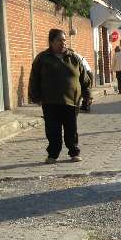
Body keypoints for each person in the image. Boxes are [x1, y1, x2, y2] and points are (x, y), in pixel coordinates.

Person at [28, 29, 91, 164]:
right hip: (50, 101)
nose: (63, 43)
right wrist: (35, 96)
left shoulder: (74, 58)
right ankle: (53, 154)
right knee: (52, 130)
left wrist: (87, 94)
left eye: (64, 40)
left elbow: (84, 78)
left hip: (71, 101)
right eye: (59, 40)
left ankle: (74, 152)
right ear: (51, 42)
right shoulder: (42, 58)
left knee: (71, 129)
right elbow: (34, 78)